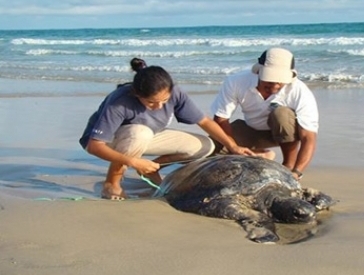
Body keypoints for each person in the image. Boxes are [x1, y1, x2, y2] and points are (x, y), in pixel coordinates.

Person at [79, 58, 254, 200]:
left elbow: (204, 121)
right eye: (151, 102)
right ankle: (112, 184)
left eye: (164, 100)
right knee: (140, 133)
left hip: (147, 137)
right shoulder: (120, 101)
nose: (159, 106)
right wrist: (133, 162)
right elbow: (94, 145)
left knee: (205, 146)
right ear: (137, 95)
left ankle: (152, 169)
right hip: (112, 141)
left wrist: (233, 146)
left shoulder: (175, 93)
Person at [210, 47, 319, 180]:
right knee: (210, 150)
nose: (274, 87)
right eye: (269, 80)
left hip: (285, 133)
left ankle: (288, 164)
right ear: (258, 71)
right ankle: (260, 155)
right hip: (251, 129)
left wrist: (298, 172)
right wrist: (233, 147)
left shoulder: (299, 90)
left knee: (282, 114)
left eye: (280, 82)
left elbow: (308, 136)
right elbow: (221, 118)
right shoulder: (236, 82)